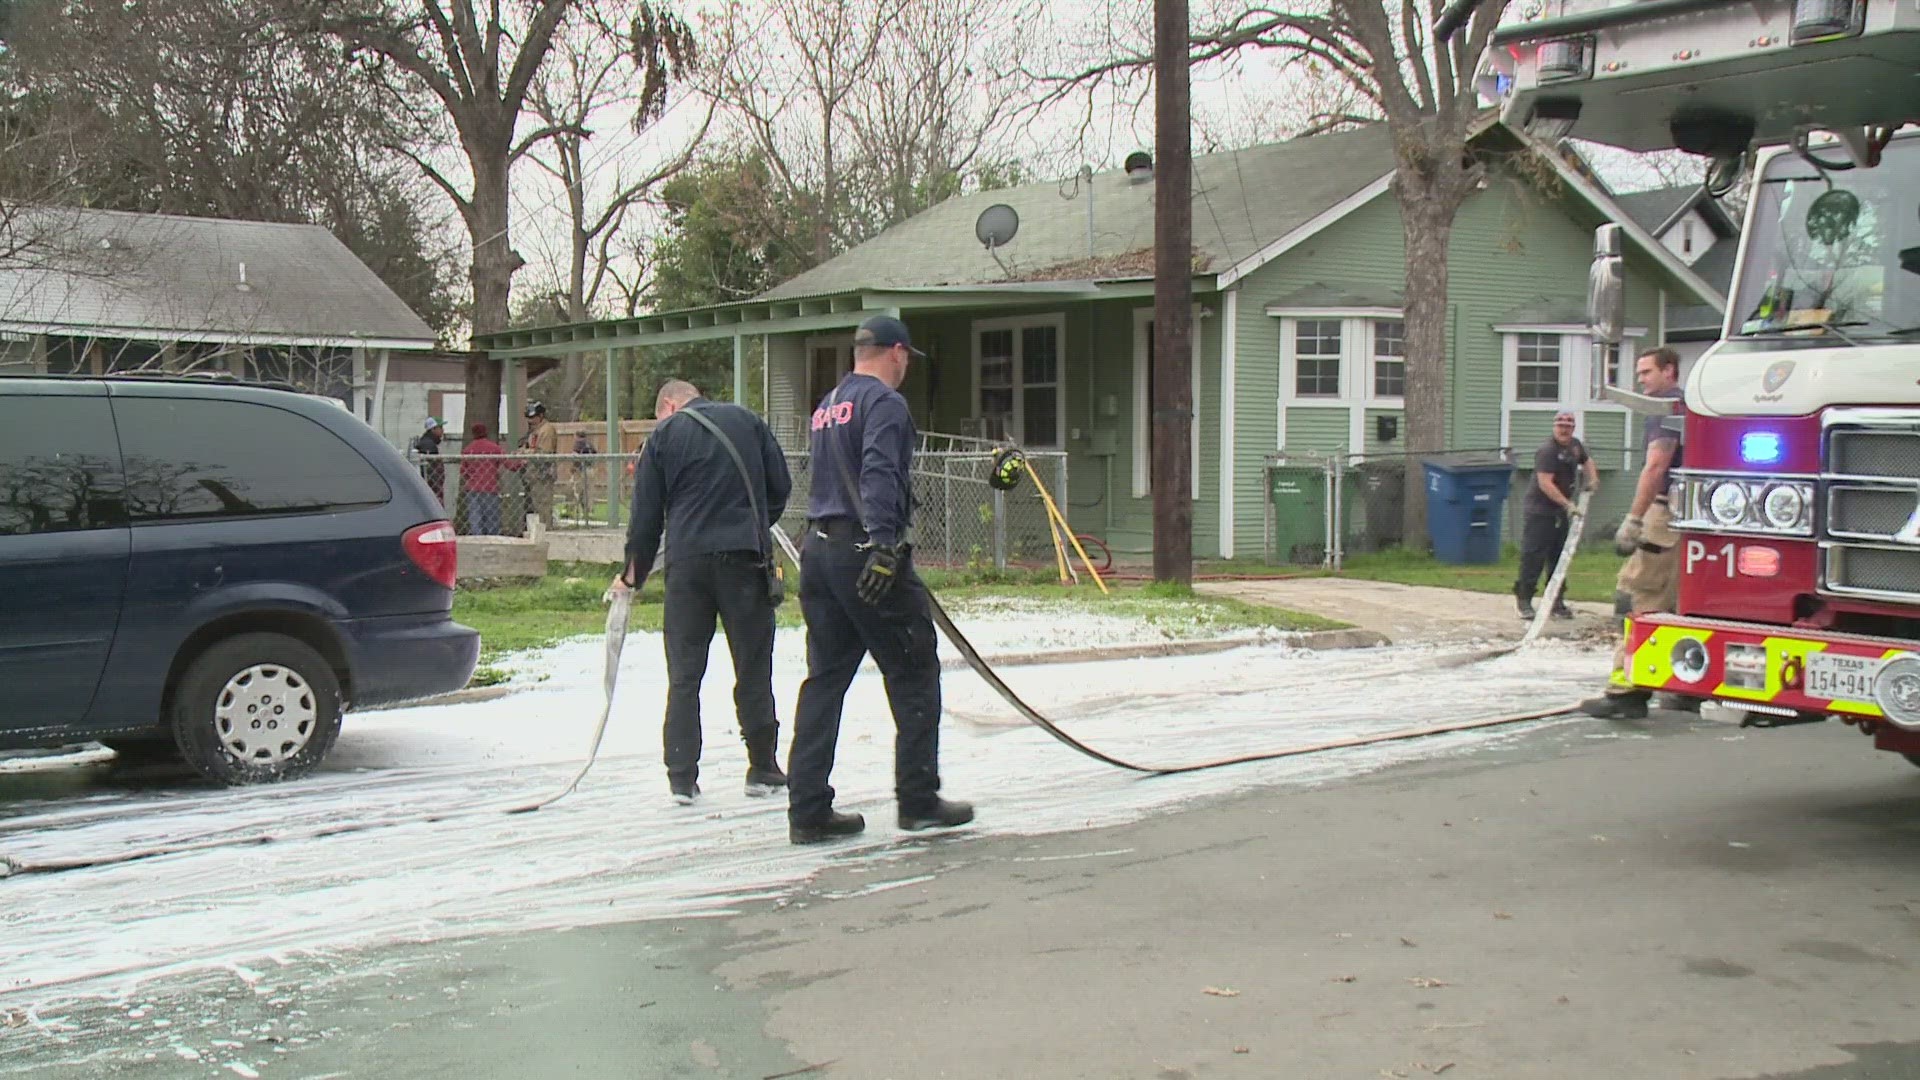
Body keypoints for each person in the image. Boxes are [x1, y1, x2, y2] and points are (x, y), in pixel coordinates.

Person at [786, 315, 973, 845]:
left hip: (819, 551)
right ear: (897, 353)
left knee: (824, 679)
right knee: (914, 670)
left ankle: (808, 810)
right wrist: (886, 544)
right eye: (907, 358)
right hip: (865, 551)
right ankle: (918, 801)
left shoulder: (828, 406)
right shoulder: (885, 403)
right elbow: (879, 471)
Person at [611, 380, 792, 806]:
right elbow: (780, 488)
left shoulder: (663, 438)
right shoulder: (748, 421)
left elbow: (645, 521)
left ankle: (681, 776)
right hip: (745, 561)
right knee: (752, 668)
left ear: (669, 405)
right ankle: (762, 768)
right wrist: (750, 525)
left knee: (685, 674)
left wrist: (632, 576)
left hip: (686, 566)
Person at [1580, 347, 1685, 719]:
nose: (1640, 380)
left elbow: (1656, 465)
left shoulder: (1667, 409)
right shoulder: (1689, 407)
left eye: (1646, 373)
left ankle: (1625, 692)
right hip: (1688, 516)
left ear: (1669, 371)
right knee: (1679, 603)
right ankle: (1683, 687)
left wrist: (1635, 518)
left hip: (1664, 511)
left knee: (1637, 596)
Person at [1514, 410, 1599, 620]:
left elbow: (1587, 461)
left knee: (1559, 556)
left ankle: (1556, 601)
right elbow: (1545, 483)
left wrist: (1593, 479)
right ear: (1554, 426)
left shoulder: (1575, 445)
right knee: (1533, 556)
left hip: (1560, 513)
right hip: (1540, 511)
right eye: (1561, 425)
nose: (1564, 429)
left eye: (1568, 425)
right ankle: (1524, 600)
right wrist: (1568, 504)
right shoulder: (1547, 451)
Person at [516, 402, 560, 529]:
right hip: (533, 474)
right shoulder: (534, 431)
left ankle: (547, 531)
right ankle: (538, 530)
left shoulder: (547, 430)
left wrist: (525, 452)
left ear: (540, 416)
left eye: (533, 417)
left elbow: (544, 453)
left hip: (543, 474)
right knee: (534, 505)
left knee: (543, 505)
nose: (530, 420)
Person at [461, 422, 506, 535]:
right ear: (485, 432)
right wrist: (520, 463)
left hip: (473, 488)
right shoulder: (494, 448)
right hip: (490, 487)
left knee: (475, 516)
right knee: (492, 517)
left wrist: (471, 477)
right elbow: (508, 463)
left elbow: (463, 471)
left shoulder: (468, 450)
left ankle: (478, 538)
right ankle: (492, 538)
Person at [413, 417, 447, 505]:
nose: (443, 430)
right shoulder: (428, 445)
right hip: (432, 486)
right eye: (440, 427)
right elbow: (431, 469)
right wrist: (436, 487)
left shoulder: (429, 443)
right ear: (433, 429)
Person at [570, 431, 596, 521]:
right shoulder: (590, 445)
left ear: (576, 436)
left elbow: (575, 458)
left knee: (577, 491)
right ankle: (589, 512)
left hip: (580, 471)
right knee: (589, 492)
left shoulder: (577, 444)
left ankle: (579, 512)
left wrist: (573, 468)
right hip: (590, 469)